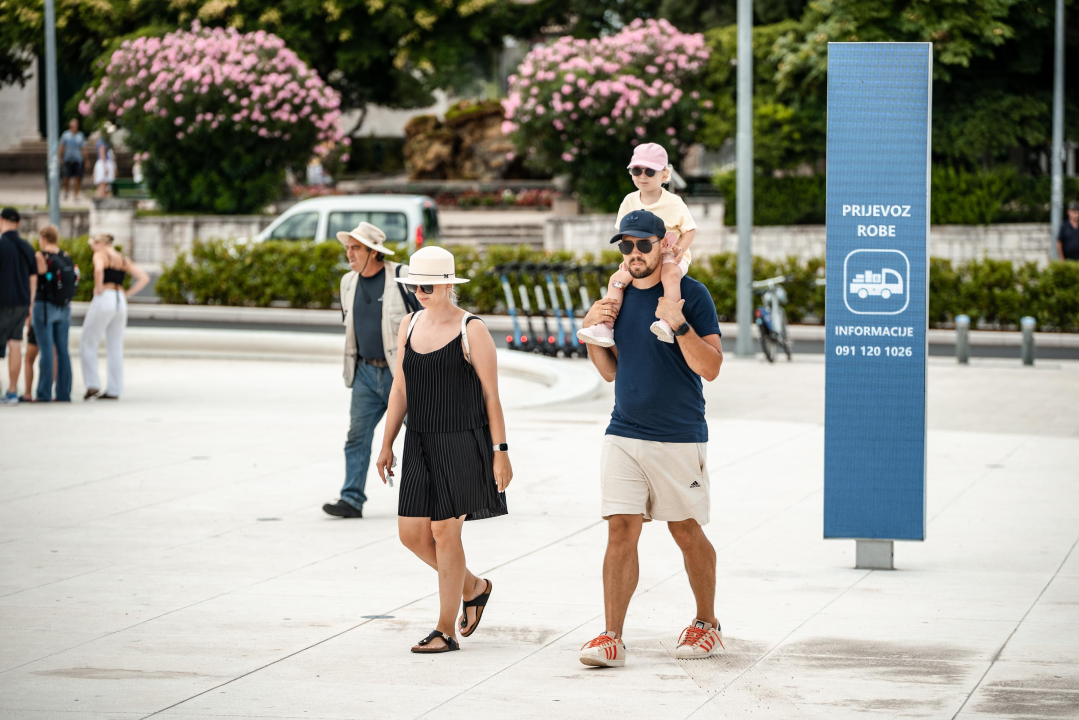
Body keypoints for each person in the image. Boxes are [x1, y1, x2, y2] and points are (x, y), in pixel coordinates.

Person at [577, 209, 724, 668]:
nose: (635, 253)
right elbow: (610, 372)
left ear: (664, 245)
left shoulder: (692, 294)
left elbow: (711, 367)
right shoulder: (618, 298)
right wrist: (593, 332)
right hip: (623, 430)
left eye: (644, 244)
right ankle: (612, 637)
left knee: (685, 530)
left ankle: (707, 623)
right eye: (627, 245)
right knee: (620, 528)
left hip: (678, 434)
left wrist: (678, 323)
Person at [374, 245, 511, 654]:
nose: (419, 293)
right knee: (411, 534)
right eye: (414, 286)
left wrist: (500, 450)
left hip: (461, 441)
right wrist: (387, 442)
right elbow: (401, 389)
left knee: (444, 532)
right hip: (418, 439)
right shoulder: (409, 324)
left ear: (448, 286)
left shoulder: (472, 329)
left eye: (427, 286)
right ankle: (474, 587)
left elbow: (491, 395)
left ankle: (444, 630)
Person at [322, 222, 416, 519]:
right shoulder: (347, 282)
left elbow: (427, 320)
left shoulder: (401, 277)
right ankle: (351, 500)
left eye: (356, 248)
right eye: (347, 248)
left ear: (374, 252)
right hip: (364, 372)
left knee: (424, 436)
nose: (349, 254)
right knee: (356, 437)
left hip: (401, 375)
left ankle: (445, 495)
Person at [577, 143, 697, 347]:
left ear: (665, 174)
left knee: (670, 275)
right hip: (639, 257)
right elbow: (625, 237)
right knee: (616, 280)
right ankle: (606, 326)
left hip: (670, 255)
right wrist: (628, 260)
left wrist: (680, 250)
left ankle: (668, 322)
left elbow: (690, 230)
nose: (642, 175)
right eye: (636, 170)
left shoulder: (675, 202)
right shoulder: (629, 201)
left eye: (650, 171)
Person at [79, 234, 149, 400]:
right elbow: (144, 278)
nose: (93, 249)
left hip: (105, 297)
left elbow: (98, 270)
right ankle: (114, 389)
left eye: (93, 245)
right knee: (115, 346)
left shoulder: (100, 255)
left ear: (100, 243)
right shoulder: (122, 258)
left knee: (88, 342)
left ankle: (92, 383)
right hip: (120, 301)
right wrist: (127, 294)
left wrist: (98, 288)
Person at [32, 224, 77, 402]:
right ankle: (63, 393)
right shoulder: (66, 256)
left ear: (43, 238)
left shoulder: (41, 256)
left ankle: (43, 393)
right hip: (64, 307)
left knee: (47, 351)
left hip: (45, 306)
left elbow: (38, 276)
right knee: (63, 351)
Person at [0, 207, 36, 405]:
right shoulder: (27, 247)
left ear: (1, 221)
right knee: (15, 344)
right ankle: (13, 391)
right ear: (18, 223)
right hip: (22, 302)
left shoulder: (1, 244)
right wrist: (30, 303)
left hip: (2, 302)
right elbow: (33, 278)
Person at [59, 119, 88, 202]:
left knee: (78, 178)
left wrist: (86, 160)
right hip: (67, 159)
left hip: (78, 159)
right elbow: (61, 147)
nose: (74, 127)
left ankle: (76, 195)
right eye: (73, 125)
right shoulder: (65, 135)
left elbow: (83, 148)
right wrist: (60, 157)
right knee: (66, 177)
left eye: (75, 125)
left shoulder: (80, 135)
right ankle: (66, 191)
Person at [93, 133, 117, 199]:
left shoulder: (105, 140)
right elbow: (102, 154)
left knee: (106, 187)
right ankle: (99, 201)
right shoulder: (102, 141)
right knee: (102, 185)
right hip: (103, 164)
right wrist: (105, 167)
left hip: (104, 164)